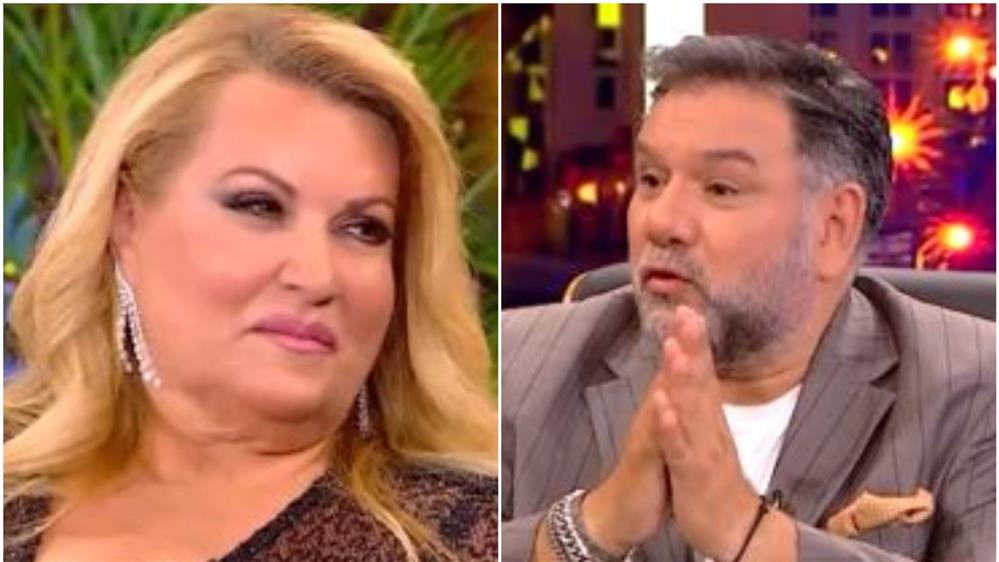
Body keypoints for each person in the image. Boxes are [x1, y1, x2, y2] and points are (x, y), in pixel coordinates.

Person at [4, 6, 497, 562]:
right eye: (259, 205)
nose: (316, 276)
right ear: (126, 221)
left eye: (365, 228)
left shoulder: (464, 538)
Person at [502, 36, 994, 562]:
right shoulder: (520, 363)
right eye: (651, 179)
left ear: (832, 227)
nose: (662, 221)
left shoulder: (978, 390)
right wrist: (591, 529)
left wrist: (749, 535)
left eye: (720, 188)